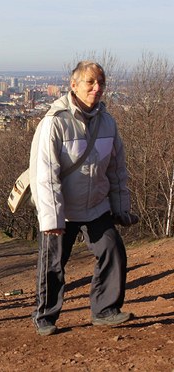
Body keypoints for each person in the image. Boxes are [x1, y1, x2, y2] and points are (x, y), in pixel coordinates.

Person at [29, 61, 137, 337]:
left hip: (96, 206)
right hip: (61, 209)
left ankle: (105, 310)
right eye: (90, 82)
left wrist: (121, 208)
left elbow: (116, 170)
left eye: (100, 82)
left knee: (113, 251)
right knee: (52, 264)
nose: (97, 88)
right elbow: (45, 175)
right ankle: (45, 316)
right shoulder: (54, 123)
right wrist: (51, 218)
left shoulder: (108, 122)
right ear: (74, 85)